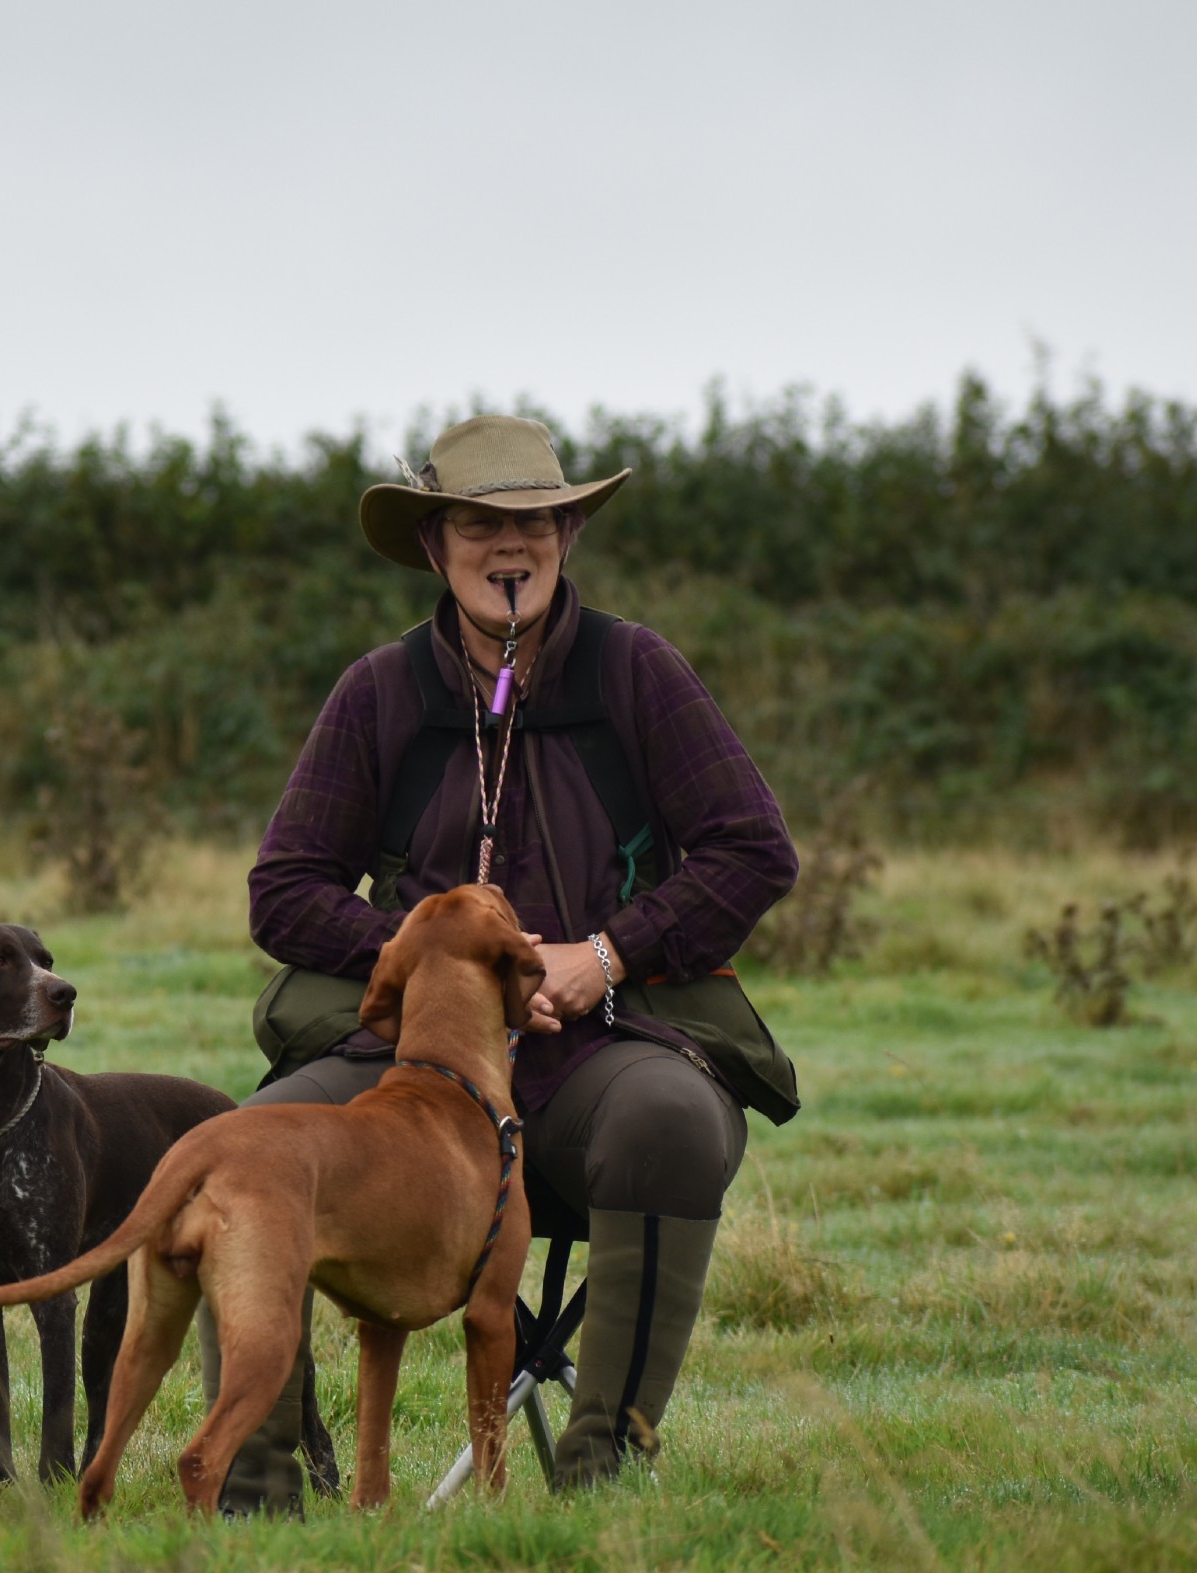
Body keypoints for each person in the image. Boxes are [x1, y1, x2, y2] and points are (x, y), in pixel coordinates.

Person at [220, 414, 799, 1509]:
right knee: (253, 1147)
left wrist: (606, 953)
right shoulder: (377, 691)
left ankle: (600, 1473)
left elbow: (754, 850)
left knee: (672, 1122)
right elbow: (283, 890)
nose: (510, 545)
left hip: (602, 1050)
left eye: (535, 522)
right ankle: (258, 1496)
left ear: (568, 536)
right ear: (434, 544)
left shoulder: (637, 671)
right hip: (407, 1074)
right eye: (480, 523)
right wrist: (431, 959)